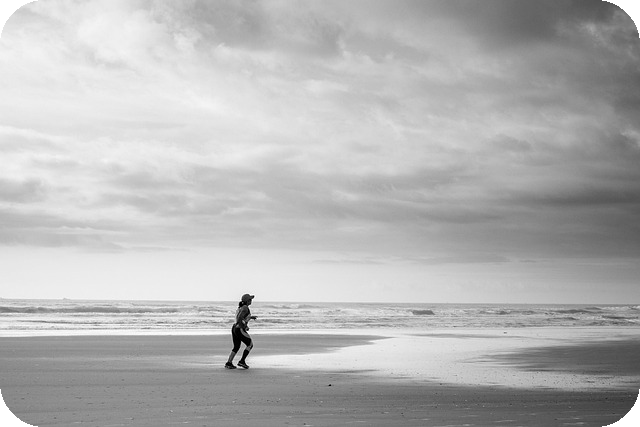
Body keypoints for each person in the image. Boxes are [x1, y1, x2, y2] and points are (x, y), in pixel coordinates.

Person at [225, 293, 257, 369]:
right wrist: (245, 326)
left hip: (234, 328)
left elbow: (240, 317)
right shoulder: (245, 308)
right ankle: (242, 361)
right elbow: (240, 318)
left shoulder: (241, 307)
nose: (251, 301)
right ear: (247, 301)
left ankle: (229, 363)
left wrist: (250, 317)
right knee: (250, 344)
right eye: (250, 299)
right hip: (239, 328)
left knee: (236, 347)